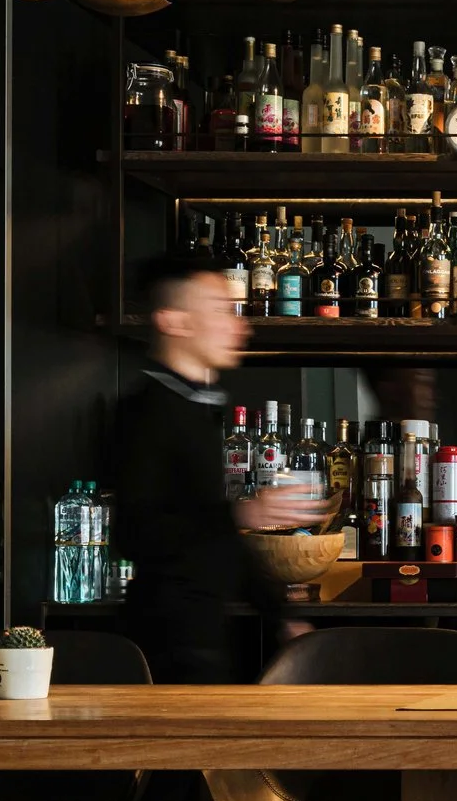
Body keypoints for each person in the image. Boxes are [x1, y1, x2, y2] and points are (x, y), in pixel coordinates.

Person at [114, 253, 323, 682]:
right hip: (164, 646)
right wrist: (243, 513)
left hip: (201, 636)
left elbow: (216, 536)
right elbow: (135, 533)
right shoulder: (146, 411)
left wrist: (282, 616)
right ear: (174, 321)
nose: (240, 326)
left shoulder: (193, 407)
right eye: (221, 310)